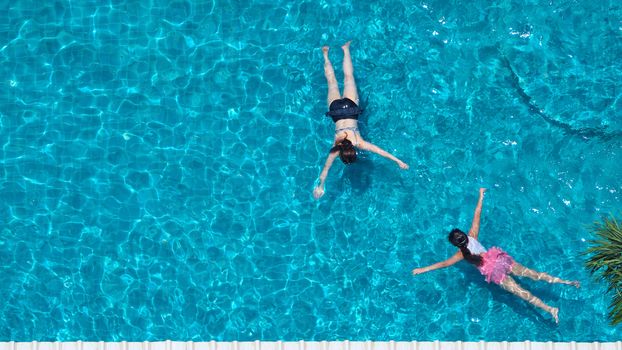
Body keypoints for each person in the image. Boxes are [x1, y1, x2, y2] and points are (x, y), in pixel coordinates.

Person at [411, 188, 580, 323]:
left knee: (522, 293)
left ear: (456, 245)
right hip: (500, 260)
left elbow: (443, 264)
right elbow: (477, 213)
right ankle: (566, 282)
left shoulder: (461, 255)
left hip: (495, 273)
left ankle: (551, 309)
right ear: (464, 235)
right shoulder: (473, 235)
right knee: (532, 274)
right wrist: (480, 194)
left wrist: (422, 269)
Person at [313, 41, 409, 200]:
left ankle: (345, 49)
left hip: (350, 109)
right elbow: (325, 169)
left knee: (348, 77)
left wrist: (398, 161)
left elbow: (381, 151)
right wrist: (320, 186)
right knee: (332, 81)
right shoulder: (335, 148)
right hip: (336, 111)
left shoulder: (358, 142)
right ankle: (326, 53)